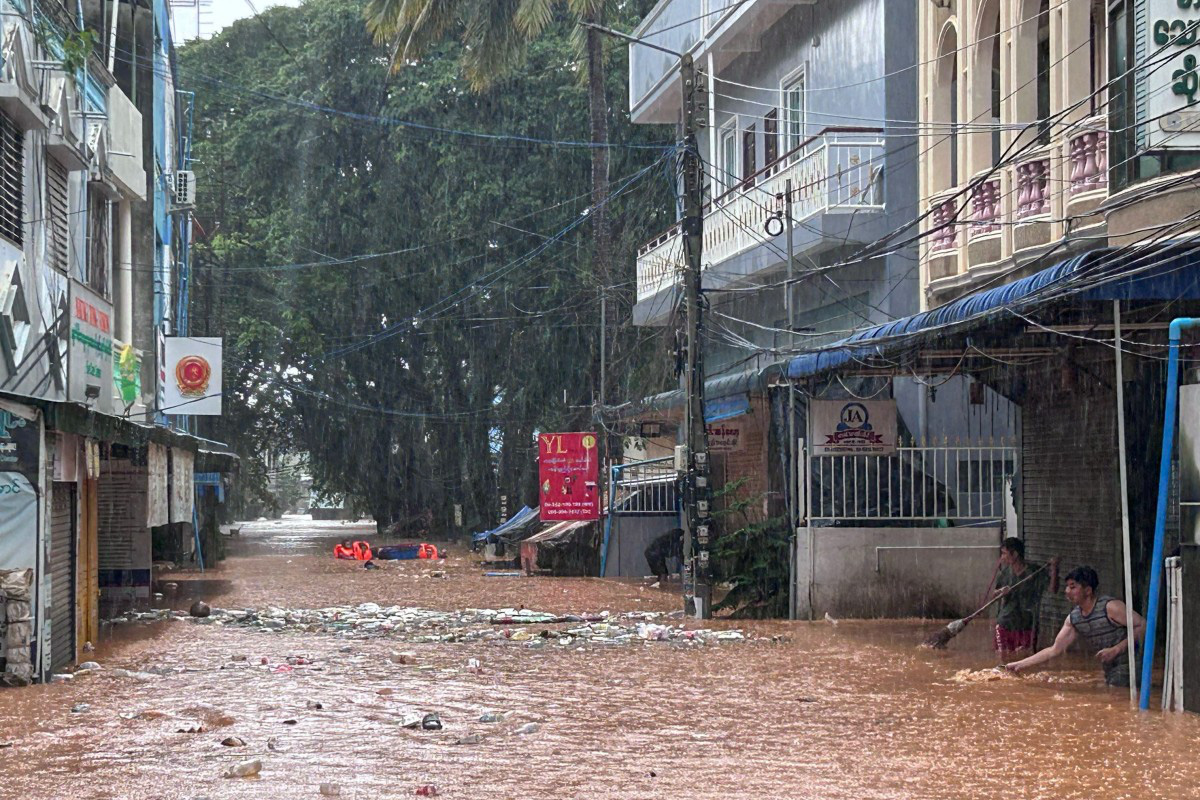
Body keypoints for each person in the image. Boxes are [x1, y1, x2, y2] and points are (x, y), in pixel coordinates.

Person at [1005, 565, 1146, 687]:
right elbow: (1054, 650)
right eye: (1067, 586)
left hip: (1132, 665)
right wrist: (1019, 664)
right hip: (1110, 669)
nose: (1067, 591)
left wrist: (1116, 649)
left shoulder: (1110, 607)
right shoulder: (1074, 618)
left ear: (1088, 590)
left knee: (1114, 696)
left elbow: (1143, 625)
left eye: (1073, 587)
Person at [991, 538, 1056, 658]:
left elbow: (1052, 590)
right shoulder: (1005, 573)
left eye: (1004, 553)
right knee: (1002, 658)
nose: (1002, 557)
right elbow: (994, 594)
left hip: (1026, 624)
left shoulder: (1035, 572)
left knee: (1025, 658)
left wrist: (1054, 569)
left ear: (1015, 554)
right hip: (1005, 623)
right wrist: (1001, 591)